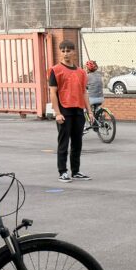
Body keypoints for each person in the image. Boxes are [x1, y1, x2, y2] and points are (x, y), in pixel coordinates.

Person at [48, 40, 92, 182]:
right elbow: (53, 93)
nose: (65, 53)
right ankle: (62, 172)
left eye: (68, 51)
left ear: (74, 52)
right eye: (63, 51)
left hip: (78, 111)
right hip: (64, 111)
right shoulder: (56, 70)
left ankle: (76, 171)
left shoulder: (81, 72)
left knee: (77, 143)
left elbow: (84, 92)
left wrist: (89, 111)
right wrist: (57, 113)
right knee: (64, 142)